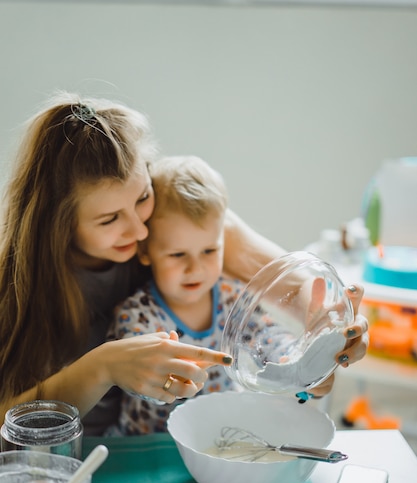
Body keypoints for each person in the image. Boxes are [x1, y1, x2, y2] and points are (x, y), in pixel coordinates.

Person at [0, 92, 368, 436]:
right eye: (109, 219)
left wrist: (328, 340)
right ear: (57, 223)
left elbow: (300, 291)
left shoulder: (170, 219)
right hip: (80, 459)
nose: (139, 228)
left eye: (143, 197)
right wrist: (103, 366)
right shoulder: (17, 282)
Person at [109, 155, 246, 435]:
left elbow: (271, 339)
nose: (195, 268)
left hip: (220, 437)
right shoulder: (136, 315)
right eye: (177, 254)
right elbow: (139, 383)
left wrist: (290, 361)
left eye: (209, 251)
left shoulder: (233, 297)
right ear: (145, 252)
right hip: (150, 444)